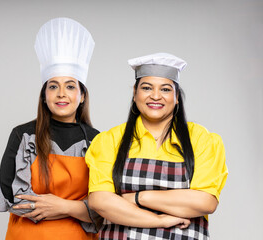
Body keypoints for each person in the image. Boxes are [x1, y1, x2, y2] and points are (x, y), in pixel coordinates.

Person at [85, 53, 228, 239]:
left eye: (166, 89)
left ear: (177, 98)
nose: (155, 96)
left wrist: (138, 198)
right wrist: (161, 220)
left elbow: (205, 202)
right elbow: (100, 202)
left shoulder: (201, 139)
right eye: (146, 88)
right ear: (135, 94)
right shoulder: (110, 140)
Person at [0, 18, 100, 240]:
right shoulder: (23, 135)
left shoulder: (98, 141)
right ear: (44, 95)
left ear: (82, 95)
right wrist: (77, 208)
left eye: (70, 86)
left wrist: (62, 206)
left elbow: (105, 206)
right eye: (53, 86)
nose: (61, 93)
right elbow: (11, 194)